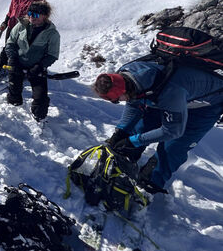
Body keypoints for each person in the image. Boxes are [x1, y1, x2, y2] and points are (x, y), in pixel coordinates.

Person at [94, 63, 223, 194]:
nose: (117, 102)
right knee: (141, 127)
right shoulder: (125, 76)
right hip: (164, 93)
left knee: (173, 147)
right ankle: (123, 159)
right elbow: (134, 104)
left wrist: (133, 141)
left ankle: (149, 183)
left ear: (125, 90)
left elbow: (172, 131)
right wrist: (121, 131)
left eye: (116, 100)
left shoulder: (171, 91)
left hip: (205, 105)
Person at [4, 1, 60, 121]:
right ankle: (14, 109)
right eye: (29, 14)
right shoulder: (21, 26)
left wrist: (39, 67)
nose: (31, 17)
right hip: (18, 64)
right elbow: (10, 43)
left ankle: (39, 117)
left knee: (41, 98)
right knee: (14, 90)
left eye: (35, 15)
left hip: (37, 68)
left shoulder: (52, 33)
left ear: (44, 16)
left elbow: (52, 55)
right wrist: (13, 59)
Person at [0, 0, 45, 77]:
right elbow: (11, 9)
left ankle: (17, 72)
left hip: (25, 32)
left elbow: (41, 19)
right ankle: (3, 67)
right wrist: (6, 20)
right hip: (11, 27)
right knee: (8, 49)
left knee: (18, 52)